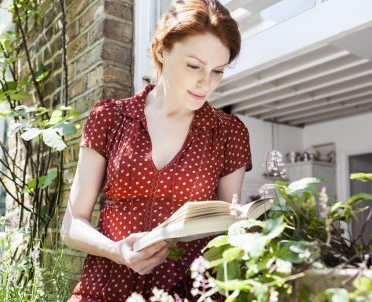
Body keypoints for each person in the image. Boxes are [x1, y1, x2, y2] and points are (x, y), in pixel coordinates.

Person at [61, 0, 252, 300]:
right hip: (106, 288)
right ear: (162, 50)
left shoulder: (229, 132)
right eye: (194, 66)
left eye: (217, 71)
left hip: (189, 292)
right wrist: (117, 251)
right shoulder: (109, 117)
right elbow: (72, 224)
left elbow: (228, 231)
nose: (206, 83)